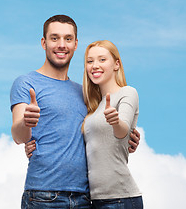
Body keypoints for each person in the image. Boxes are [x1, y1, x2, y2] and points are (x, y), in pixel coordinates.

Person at [10, 15, 140, 209]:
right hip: (43, 196)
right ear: (43, 43)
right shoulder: (26, 83)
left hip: (86, 199)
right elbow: (18, 135)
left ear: (76, 44)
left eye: (68, 39)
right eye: (54, 38)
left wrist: (128, 136)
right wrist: (25, 123)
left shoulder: (87, 94)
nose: (61, 44)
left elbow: (101, 130)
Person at [82, 40, 143, 208]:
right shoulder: (93, 107)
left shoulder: (127, 93)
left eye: (102, 60)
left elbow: (122, 130)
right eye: (90, 61)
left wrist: (115, 122)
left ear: (116, 64)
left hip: (121, 199)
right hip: (93, 200)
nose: (95, 65)